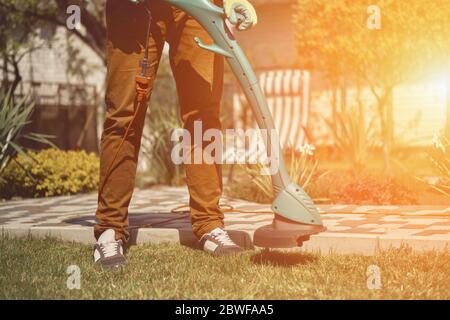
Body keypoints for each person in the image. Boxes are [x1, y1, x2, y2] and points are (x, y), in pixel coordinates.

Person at [93, 0, 258, 268]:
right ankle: (110, 229)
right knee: (124, 113)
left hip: (198, 5)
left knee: (203, 116)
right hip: (133, 8)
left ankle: (209, 224)